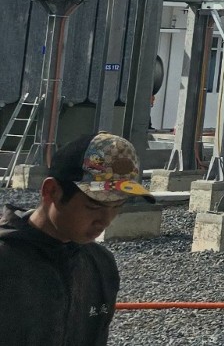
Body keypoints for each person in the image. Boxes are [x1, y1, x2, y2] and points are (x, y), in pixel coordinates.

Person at [0, 133, 155, 345]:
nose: (106, 220)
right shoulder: (6, 261)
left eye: (118, 206)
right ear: (51, 191)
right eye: (94, 206)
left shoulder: (100, 265)